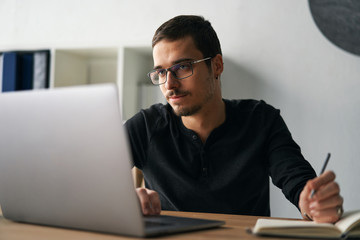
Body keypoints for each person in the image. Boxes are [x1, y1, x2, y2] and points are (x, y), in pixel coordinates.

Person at [125, 15, 343, 223]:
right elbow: (93, 182)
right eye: (161, 73)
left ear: (217, 66)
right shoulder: (145, 126)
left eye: (182, 67)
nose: (169, 84)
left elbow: (299, 184)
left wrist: (315, 204)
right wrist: (124, 199)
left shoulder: (261, 120)